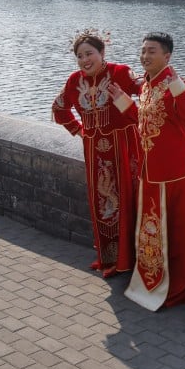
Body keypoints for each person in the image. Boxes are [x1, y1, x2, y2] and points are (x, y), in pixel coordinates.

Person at [109, 31, 185, 310]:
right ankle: (152, 279)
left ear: (167, 56)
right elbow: (145, 121)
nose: (145, 56)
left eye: (151, 51)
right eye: (143, 51)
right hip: (150, 171)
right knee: (153, 231)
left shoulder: (178, 85)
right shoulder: (147, 86)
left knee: (176, 231)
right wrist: (123, 101)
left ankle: (177, 284)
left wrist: (179, 87)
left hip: (174, 173)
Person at [52, 29, 142, 278]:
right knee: (102, 202)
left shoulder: (121, 73)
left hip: (124, 148)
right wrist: (80, 131)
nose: (84, 60)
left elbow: (147, 95)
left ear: (102, 53)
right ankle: (108, 257)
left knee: (128, 198)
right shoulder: (73, 81)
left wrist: (129, 103)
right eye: (79, 56)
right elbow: (59, 109)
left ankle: (132, 257)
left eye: (89, 53)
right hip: (95, 152)